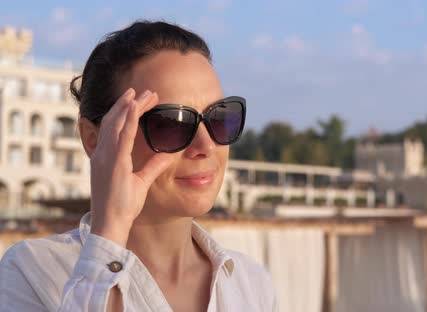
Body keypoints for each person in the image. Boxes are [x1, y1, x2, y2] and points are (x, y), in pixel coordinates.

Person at [0, 20, 276, 312]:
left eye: (219, 118)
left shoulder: (249, 283)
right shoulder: (32, 272)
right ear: (94, 140)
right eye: (171, 124)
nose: (206, 146)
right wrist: (111, 230)